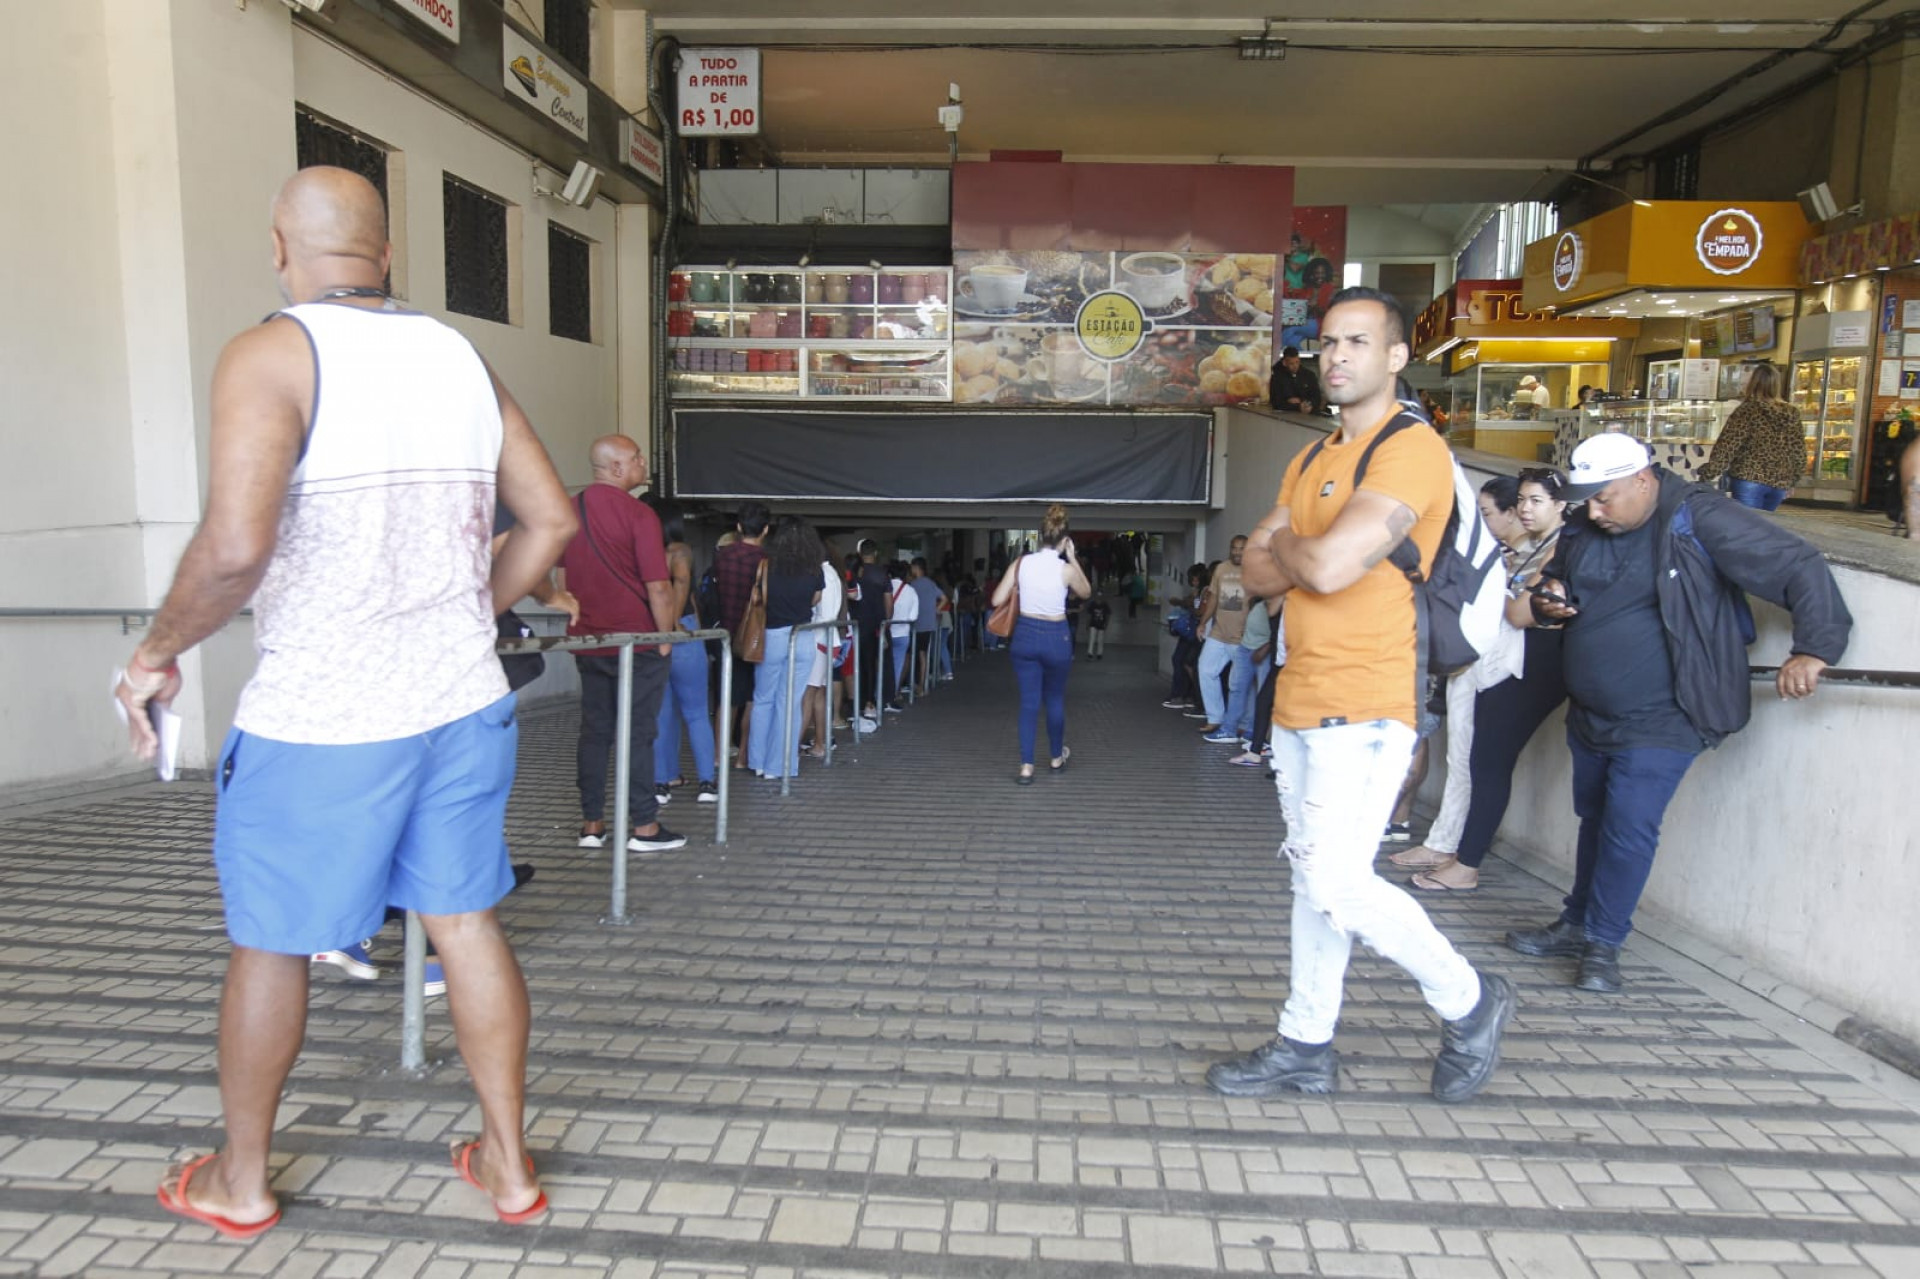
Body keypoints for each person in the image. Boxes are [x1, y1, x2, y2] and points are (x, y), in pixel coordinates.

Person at [113, 167, 575, 1235]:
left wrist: (155, 653)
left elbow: (235, 547)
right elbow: (549, 520)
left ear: (280, 246)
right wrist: (466, 608)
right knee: (465, 922)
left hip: (323, 715)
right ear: (389, 253)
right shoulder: (459, 358)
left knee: (271, 943)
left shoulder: (269, 354)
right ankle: (507, 1167)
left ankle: (242, 1179)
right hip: (462, 702)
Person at [1205, 286, 1515, 1105]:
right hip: (1300, 699)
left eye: (1355, 342)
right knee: (1313, 880)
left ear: (1395, 357)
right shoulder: (1310, 457)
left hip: (1370, 699)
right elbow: (1255, 570)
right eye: (1326, 344)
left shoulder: (1409, 448)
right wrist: (1304, 552)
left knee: (1339, 882)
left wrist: (1295, 550)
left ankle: (1470, 1000)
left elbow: (1320, 566)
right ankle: (1306, 1042)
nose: (1335, 357)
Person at [1510, 434, 1852, 992]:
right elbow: (1565, 578)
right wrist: (1552, 595)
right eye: (1588, 500)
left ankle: (1604, 944)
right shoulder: (1590, 524)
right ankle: (1577, 921)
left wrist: (1813, 648)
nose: (1593, 511)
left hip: (1668, 711)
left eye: (1605, 499)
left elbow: (1797, 563)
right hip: (1594, 712)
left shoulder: (1699, 517)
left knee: (1628, 826)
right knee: (1597, 820)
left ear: (1643, 481)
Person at [1391, 473, 1553, 888]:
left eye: (1486, 514)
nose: (1527, 510)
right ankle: (1444, 842)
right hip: (1476, 662)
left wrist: (1489, 580)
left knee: (1480, 763)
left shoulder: (1549, 551)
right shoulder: (1510, 553)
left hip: (1506, 668)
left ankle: (1461, 855)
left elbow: (1518, 611)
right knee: (1461, 759)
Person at [560, 436, 685, 854]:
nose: (643, 463)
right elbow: (658, 586)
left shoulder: (569, 510)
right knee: (638, 733)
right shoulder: (638, 514)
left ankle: (592, 824)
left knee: (594, 732)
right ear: (616, 468)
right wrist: (665, 638)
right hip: (638, 640)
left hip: (589, 641)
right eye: (636, 459)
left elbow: (563, 579)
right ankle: (644, 826)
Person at [993, 503, 1092, 784]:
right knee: (1055, 699)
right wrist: (1073, 558)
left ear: (1039, 537)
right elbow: (1086, 591)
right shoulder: (1065, 569)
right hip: (1056, 637)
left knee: (1028, 703)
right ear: (1064, 541)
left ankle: (1026, 766)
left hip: (1024, 635)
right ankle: (1056, 757)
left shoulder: (1021, 563)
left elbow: (997, 600)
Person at [646, 500, 718, 804]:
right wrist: (674, 620)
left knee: (662, 714)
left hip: (650, 630)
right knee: (697, 713)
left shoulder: (642, 551)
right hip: (684, 632)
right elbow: (683, 580)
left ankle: (662, 782)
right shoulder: (681, 550)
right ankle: (707, 784)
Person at [747, 515, 824, 779]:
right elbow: (815, 599)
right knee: (789, 702)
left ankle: (757, 762)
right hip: (802, 637)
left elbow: (759, 597)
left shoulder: (767, 565)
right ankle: (781, 766)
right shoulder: (814, 568)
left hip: (772, 636)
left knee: (763, 699)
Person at [1698, 363, 1804, 511]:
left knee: (1748, 528)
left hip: (1749, 479)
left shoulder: (1747, 411)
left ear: (1753, 383)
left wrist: (1708, 473)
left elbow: (1727, 446)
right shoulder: (1792, 413)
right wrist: (1793, 481)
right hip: (1779, 483)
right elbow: (1798, 451)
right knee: (1765, 528)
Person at [714, 504, 770, 768]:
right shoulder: (766, 560)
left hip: (725, 633)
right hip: (754, 638)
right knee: (751, 697)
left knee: (727, 698)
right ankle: (743, 756)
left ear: (738, 527)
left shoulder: (722, 557)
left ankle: (718, 755)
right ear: (766, 530)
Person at [1195, 536, 1253, 744]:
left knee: (1239, 683)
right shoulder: (1221, 569)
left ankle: (1242, 724)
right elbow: (1213, 599)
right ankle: (1215, 718)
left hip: (1242, 638)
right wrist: (1203, 623)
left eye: (1242, 549)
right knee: (1205, 670)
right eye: (1234, 548)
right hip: (1218, 633)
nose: (1237, 552)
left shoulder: (1254, 570)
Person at [800, 540, 846, 758]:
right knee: (819, 695)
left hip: (819, 639)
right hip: (830, 640)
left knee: (807, 696)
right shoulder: (833, 573)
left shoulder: (822, 575)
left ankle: (790, 750)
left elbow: (822, 612)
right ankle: (820, 744)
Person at [852, 540, 891, 717]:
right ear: (875, 553)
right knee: (875, 664)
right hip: (877, 625)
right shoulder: (882, 574)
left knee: (857, 664)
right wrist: (887, 621)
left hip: (856, 624)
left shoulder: (855, 573)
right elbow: (888, 602)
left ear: (860, 554)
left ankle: (856, 703)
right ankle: (873, 702)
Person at [885, 560, 919, 710]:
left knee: (882, 665)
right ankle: (891, 698)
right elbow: (913, 616)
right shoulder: (910, 591)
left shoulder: (884, 587)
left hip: (885, 633)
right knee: (897, 667)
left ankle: (876, 696)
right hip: (903, 633)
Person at [908, 557, 943, 694]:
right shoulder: (931, 583)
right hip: (929, 624)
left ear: (916, 568)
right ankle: (922, 685)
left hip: (916, 624)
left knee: (911, 655)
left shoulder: (913, 585)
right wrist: (935, 609)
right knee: (923, 654)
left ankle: (913, 683)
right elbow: (944, 598)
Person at [1269, 345, 1321, 414]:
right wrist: (1297, 406)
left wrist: (1304, 402)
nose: (1295, 366)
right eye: (1291, 363)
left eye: (1297, 362)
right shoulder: (1277, 377)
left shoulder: (1309, 375)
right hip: (1287, 416)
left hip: (1310, 415)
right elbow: (1276, 402)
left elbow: (1317, 397)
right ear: (1284, 363)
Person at [1086, 593, 1111, 659]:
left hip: (1101, 624)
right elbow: (1089, 615)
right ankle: (1090, 653)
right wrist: (1087, 624)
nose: (1099, 597)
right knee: (1092, 638)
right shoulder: (1092, 604)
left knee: (1100, 639)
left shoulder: (1105, 605)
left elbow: (1108, 615)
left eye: (1100, 596)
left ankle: (1099, 653)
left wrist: (1106, 623)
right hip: (1093, 623)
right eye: (1098, 596)